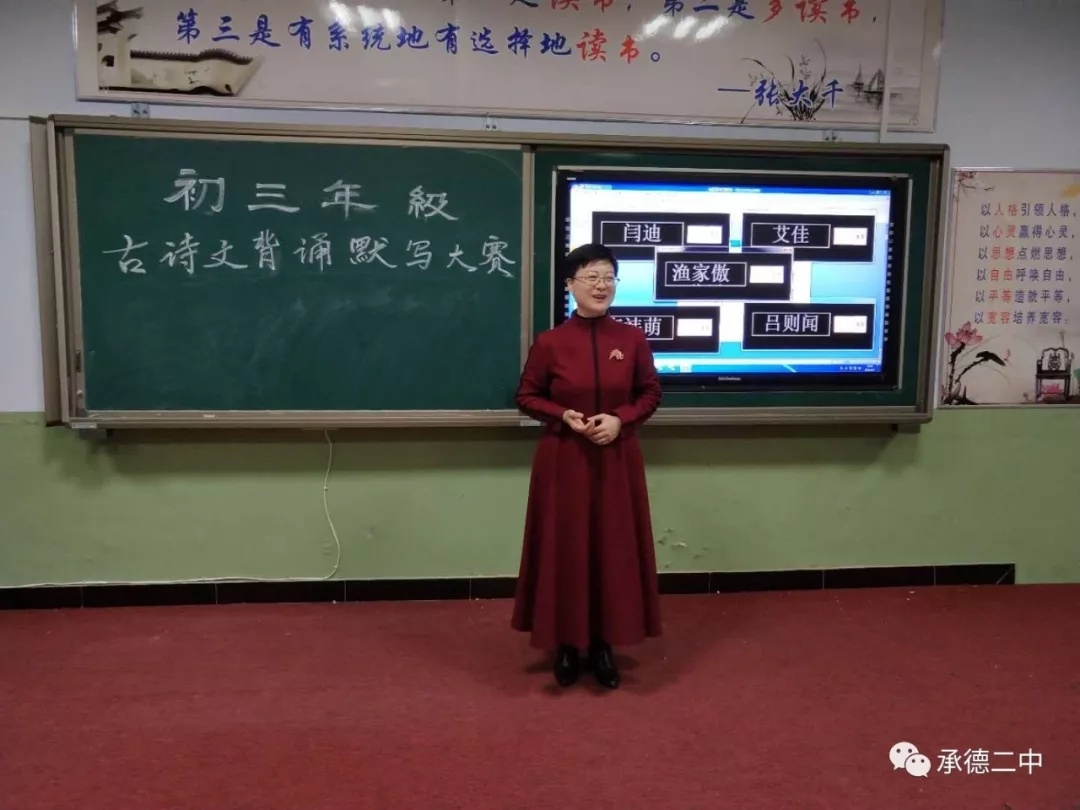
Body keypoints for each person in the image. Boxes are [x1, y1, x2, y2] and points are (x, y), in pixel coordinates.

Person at [511, 242, 663, 689]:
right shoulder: (551, 342)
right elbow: (527, 396)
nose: (601, 286)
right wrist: (563, 415)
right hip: (564, 459)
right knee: (566, 547)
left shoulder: (632, 339)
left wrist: (621, 419)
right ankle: (565, 644)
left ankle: (603, 644)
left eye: (609, 277)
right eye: (591, 276)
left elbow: (650, 393)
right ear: (570, 285)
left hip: (617, 458)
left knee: (612, 548)